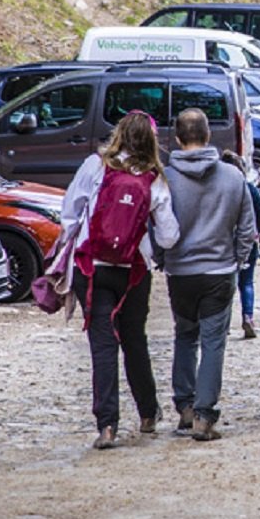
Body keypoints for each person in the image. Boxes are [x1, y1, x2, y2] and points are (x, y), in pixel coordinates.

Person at [60, 111, 180, 450]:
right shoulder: (154, 180)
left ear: (119, 135)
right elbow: (169, 235)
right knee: (134, 341)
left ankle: (107, 425)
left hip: (92, 269)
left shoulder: (95, 166)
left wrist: (68, 248)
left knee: (103, 345)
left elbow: (69, 214)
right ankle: (147, 413)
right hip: (133, 272)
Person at [160, 108, 257, 442]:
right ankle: (205, 415)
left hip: (180, 272)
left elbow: (154, 226)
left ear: (176, 137)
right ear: (208, 135)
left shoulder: (165, 179)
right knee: (214, 342)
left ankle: (185, 406)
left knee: (185, 337)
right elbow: (248, 228)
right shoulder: (233, 178)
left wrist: (163, 259)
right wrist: (237, 259)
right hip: (218, 270)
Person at [233, 155, 260, 340]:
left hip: (223, 242)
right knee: (246, 282)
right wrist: (255, 231)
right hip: (248, 241)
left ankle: (220, 321)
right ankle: (248, 316)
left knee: (225, 282)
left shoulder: (220, 190)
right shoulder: (250, 190)